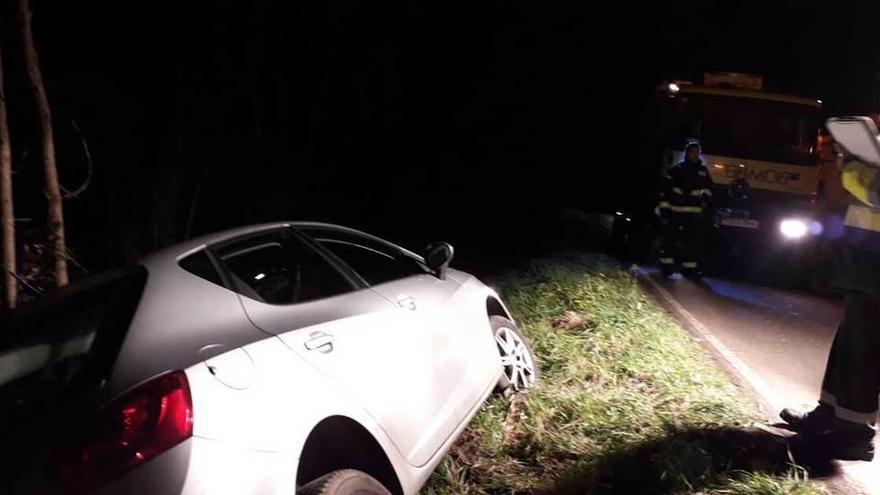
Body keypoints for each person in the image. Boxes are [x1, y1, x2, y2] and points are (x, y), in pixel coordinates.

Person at [779, 141, 880, 462]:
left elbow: (875, 190)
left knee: (864, 347)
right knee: (851, 341)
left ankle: (855, 434)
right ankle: (830, 414)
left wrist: (851, 164)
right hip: (867, 257)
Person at [656, 141, 714, 279]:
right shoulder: (677, 169)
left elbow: (710, 189)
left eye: (697, 152)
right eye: (692, 152)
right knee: (669, 241)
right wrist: (664, 210)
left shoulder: (703, 172)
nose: (694, 155)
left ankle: (689, 270)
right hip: (675, 211)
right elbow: (665, 190)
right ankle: (666, 267)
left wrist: (705, 200)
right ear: (687, 153)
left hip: (693, 213)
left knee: (692, 243)